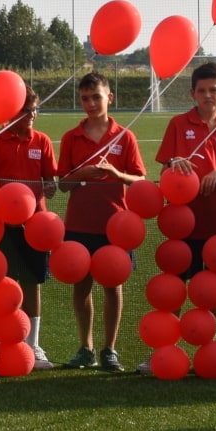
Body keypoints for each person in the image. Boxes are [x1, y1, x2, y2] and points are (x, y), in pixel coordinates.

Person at [150, 62, 216, 373]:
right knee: (175, 288)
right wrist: (173, 162)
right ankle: (164, 350)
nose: (208, 96)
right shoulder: (178, 125)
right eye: (202, 90)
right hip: (183, 222)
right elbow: (165, 166)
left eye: (214, 90)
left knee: (213, 289)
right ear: (192, 93)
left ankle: (207, 350)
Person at [57, 72, 145, 370]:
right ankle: (86, 348)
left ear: (110, 97)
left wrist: (118, 175)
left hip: (116, 225)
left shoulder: (125, 136)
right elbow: (63, 185)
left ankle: (109, 349)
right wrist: (78, 176)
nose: (91, 103)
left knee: (112, 286)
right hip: (79, 224)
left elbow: (141, 180)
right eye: (85, 98)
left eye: (96, 97)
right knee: (80, 289)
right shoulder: (71, 137)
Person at [0, 88, 59, 369]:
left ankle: (32, 343)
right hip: (0, 225)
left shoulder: (43, 141)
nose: (32, 115)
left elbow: (50, 179)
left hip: (35, 224)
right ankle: (1, 339)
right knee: (0, 282)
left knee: (32, 281)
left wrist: (50, 187)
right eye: (26, 110)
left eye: (35, 109)